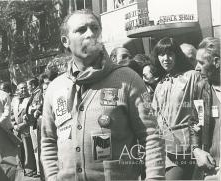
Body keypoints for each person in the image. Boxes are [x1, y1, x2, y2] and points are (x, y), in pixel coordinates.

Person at [41, 9, 165, 181]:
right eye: (81, 30)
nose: (91, 34)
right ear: (66, 41)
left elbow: (151, 136)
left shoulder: (128, 79)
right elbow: (48, 142)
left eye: (95, 28)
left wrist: (155, 178)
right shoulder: (55, 88)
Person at [151, 37, 202, 180]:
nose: (166, 58)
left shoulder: (192, 76)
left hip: (184, 147)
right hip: (163, 149)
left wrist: (198, 141)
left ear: (177, 55)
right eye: (161, 54)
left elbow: (202, 110)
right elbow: (154, 117)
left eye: (170, 54)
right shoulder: (160, 83)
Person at [189, 37, 220, 180]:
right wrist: (197, 150)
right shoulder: (202, 89)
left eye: (201, 62)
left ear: (217, 62)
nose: (196, 67)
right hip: (212, 169)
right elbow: (196, 122)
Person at [11, 82, 37, 177]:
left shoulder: (30, 99)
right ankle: (22, 170)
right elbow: (12, 114)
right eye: (21, 88)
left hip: (26, 128)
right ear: (17, 90)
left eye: (25, 88)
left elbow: (31, 115)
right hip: (17, 130)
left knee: (28, 150)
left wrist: (23, 124)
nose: (23, 90)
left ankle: (30, 169)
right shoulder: (14, 100)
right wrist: (14, 125)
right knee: (19, 150)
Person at [26, 77, 43, 178]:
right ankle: (38, 170)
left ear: (32, 85)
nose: (28, 88)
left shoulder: (39, 93)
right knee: (36, 149)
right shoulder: (34, 94)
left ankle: (41, 171)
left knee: (39, 148)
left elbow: (38, 106)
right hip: (32, 123)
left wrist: (31, 111)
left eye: (28, 86)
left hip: (37, 124)